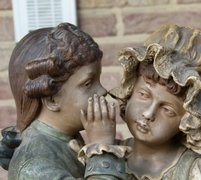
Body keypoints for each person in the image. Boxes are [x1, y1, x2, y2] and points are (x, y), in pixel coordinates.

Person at [80, 24, 201, 179]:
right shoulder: (102, 154)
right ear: (130, 90)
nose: (148, 113)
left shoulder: (196, 173)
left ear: (187, 120)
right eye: (143, 94)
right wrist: (103, 149)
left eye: (167, 110)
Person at [5, 22, 130, 180]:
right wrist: (102, 146)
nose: (102, 91)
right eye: (88, 83)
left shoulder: (64, 137)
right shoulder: (34, 167)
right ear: (52, 100)